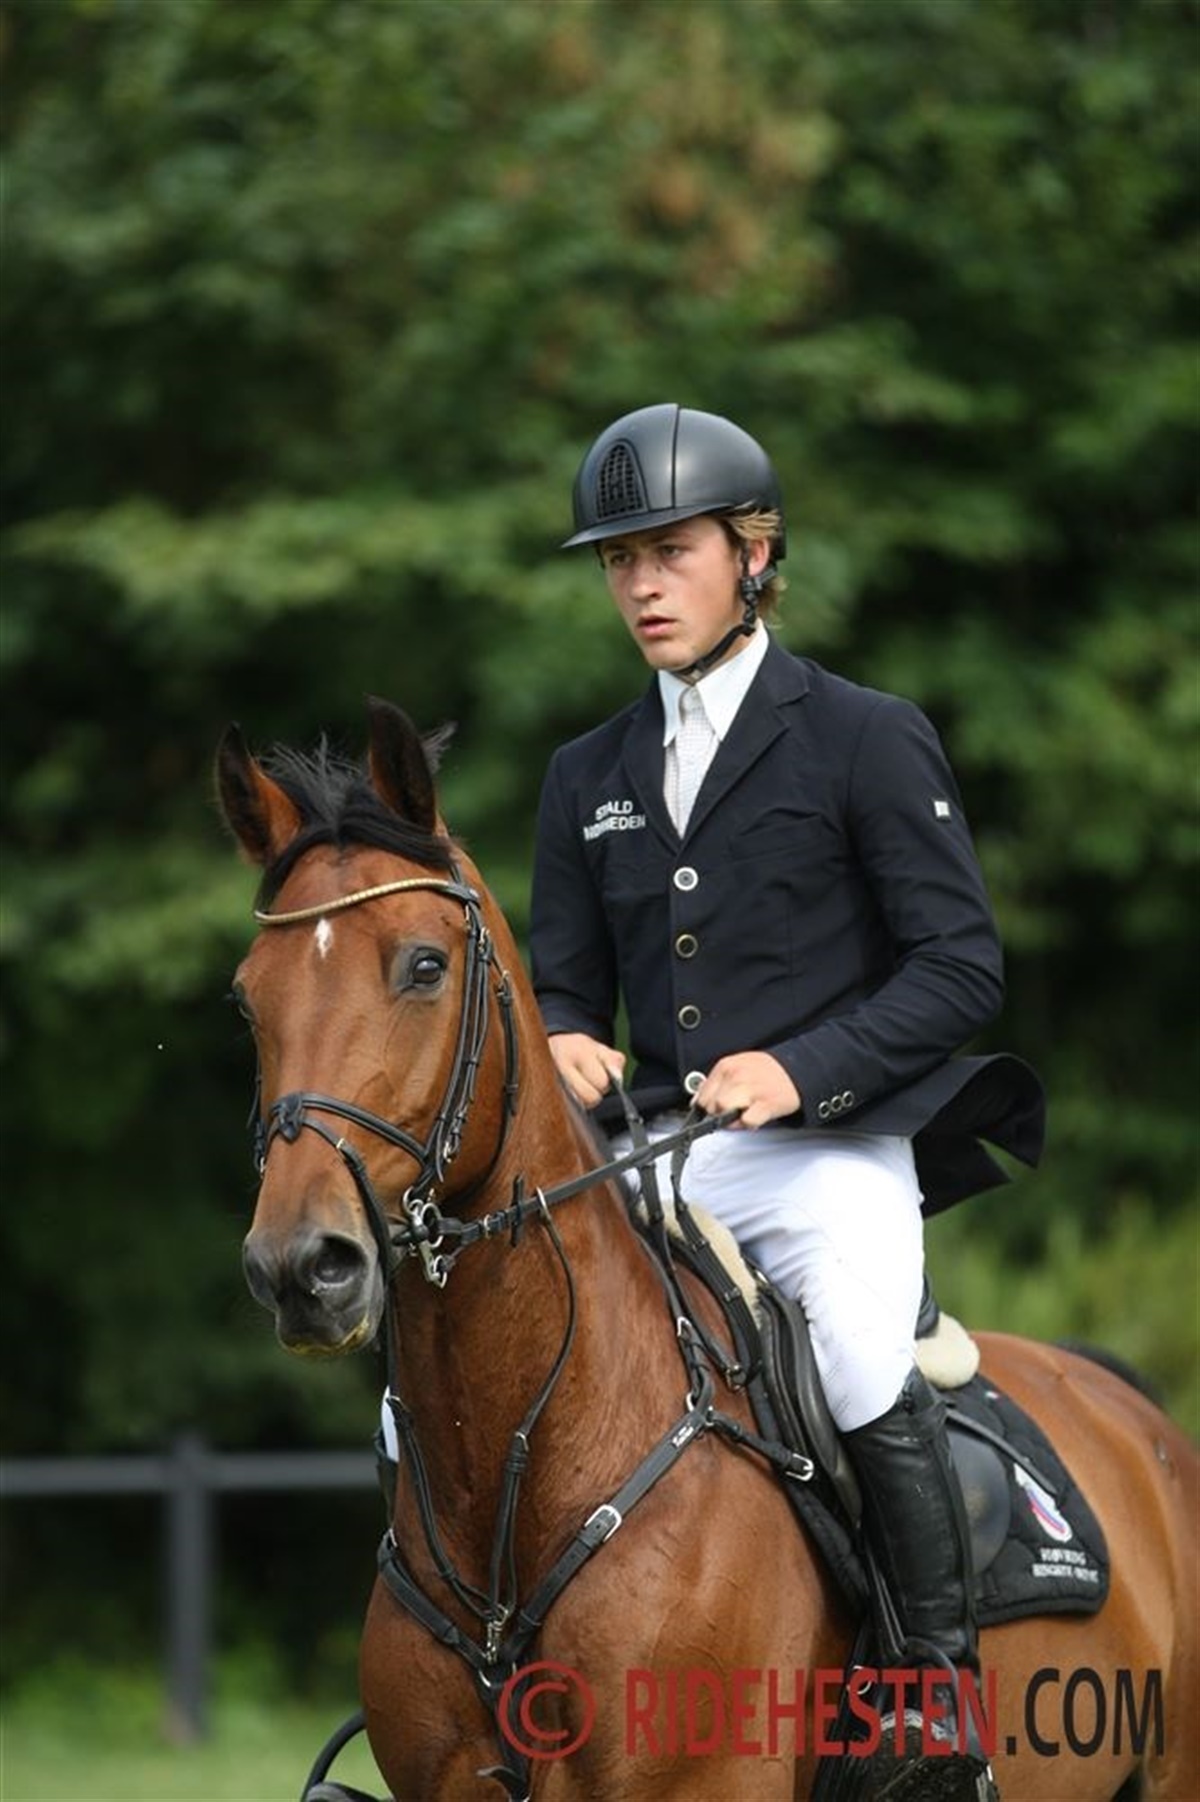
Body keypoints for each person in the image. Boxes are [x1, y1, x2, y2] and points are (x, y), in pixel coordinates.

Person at [529, 403, 1044, 1798]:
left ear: (753, 555)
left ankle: (933, 1702)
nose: (641, 585)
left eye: (671, 552)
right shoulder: (585, 775)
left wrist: (803, 1067)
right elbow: (563, 982)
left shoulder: (864, 736)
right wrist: (563, 1034)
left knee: (862, 1353)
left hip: (827, 1152)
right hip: (650, 1160)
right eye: (619, 560)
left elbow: (960, 966)